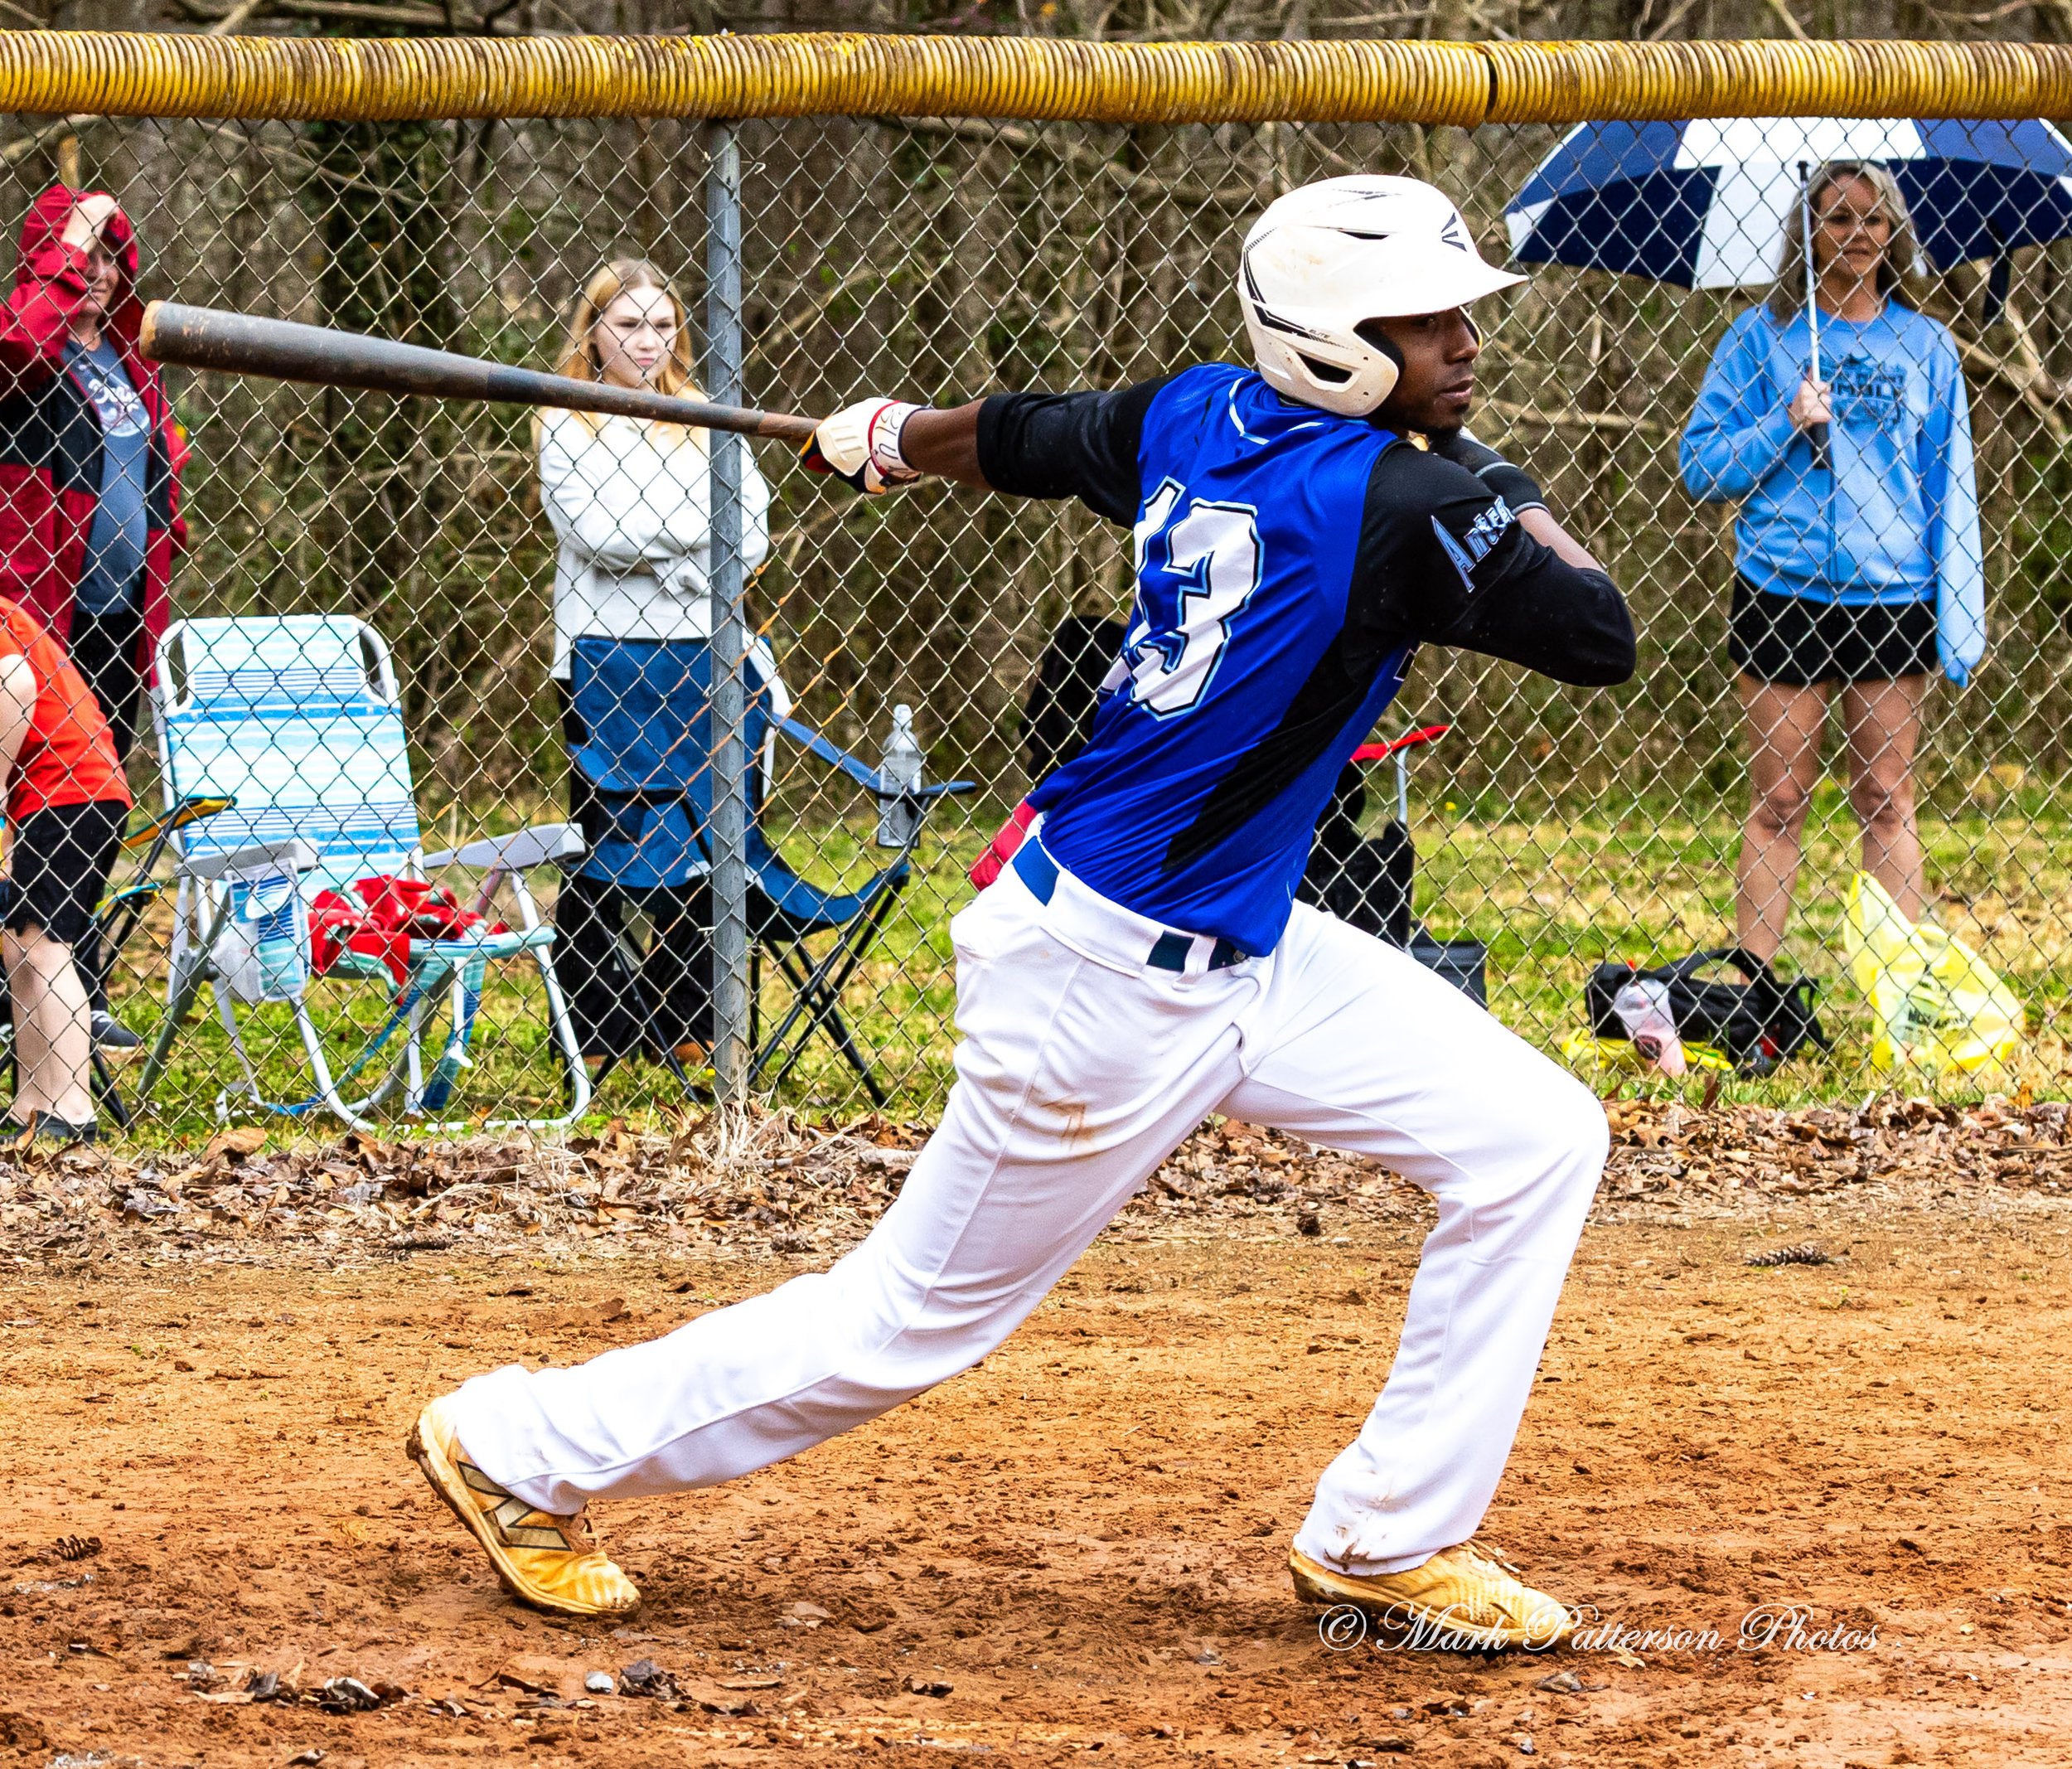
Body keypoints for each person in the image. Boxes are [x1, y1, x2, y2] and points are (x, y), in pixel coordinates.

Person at [409, 177, 1635, 1645]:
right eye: (1422, 323)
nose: (1460, 343)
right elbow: (1598, 630)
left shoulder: (1205, 410)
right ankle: (521, 1445)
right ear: (1327, 342)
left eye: (1456, 317)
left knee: (1535, 1137)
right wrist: (1473, 470)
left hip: (1240, 939)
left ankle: (1387, 1535)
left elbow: (1041, 436)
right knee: (900, 1323)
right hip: (1103, 977)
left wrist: (893, 441)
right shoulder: (1409, 497)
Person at [1681, 160, 1982, 962]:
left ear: (1896, 233)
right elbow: (1700, 468)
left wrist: (1959, 614)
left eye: (1874, 219)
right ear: (1806, 233)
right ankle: (1754, 991)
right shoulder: (1760, 337)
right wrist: (1785, 423)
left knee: (1887, 798)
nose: (1856, 234)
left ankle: (1909, 999)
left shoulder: (1926, 345)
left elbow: (1948, 488)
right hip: (1782, 590)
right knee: (1779, 801)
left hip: (1894, 596)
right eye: (1838, 218)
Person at [537, 259, 772, 1069]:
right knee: (612, 836)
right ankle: (594, 1025)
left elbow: (754, 526)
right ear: (593, 329)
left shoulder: (706, 412)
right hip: (601, 659)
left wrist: (671, 539)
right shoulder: (566, 413)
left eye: (663, 325)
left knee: (711, 833)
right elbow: (595, 534)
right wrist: (696, 537)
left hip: (704, 656)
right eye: (629, 323)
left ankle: (688, 1018)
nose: (648, 340)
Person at [0, 182, 186, 1050]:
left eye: (113, 253)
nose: (101, 272)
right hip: (39, 615)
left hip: (118, 618)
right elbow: (24, 336)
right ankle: (22, 978)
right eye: (84, 252)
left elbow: (157, 479)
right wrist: (70, 236)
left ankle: (75, 978)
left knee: (91, 800)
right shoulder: (27, 355)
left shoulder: (128, 360)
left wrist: (165, 542)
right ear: (51, 259)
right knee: (30, 803)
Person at [0, 594, 129, 1140]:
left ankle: (73, 1108)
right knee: (20, 946)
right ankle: (31, 1102)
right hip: (68, 793)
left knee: (45, 949)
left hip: (69, 792)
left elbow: (16, 682)